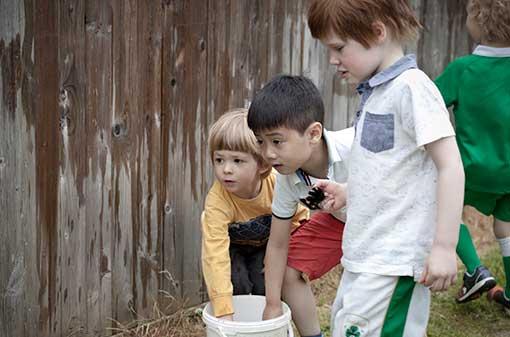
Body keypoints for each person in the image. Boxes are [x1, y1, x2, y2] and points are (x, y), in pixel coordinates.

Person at [307, 0, 465, 335]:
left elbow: (451, 166)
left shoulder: (412, 89)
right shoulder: (376, 93)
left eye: (338, 48)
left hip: (393, 259)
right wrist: (347, 192)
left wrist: (443, 247)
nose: (332, 60)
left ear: (377, 32)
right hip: (366, 253)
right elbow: (392, 170)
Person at [247, 74, 354, 337]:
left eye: (277, 141)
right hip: (340, 222)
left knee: (357, 299)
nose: (268, 153)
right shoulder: (288, 178)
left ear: (313, 134)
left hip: (383, 223)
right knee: (285, 269)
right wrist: (272, 304)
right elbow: (278, 244)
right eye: (261, 142)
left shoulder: (357, 146)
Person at [435, 0, 510, 310]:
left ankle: (475, 269)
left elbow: (428, 105)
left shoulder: (463, 69)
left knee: (437, 205)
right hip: (509, 170)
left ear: (479, 21)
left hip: (472, 169)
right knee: (507, 226)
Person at [201, 109, 309, 320]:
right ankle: (239, 325)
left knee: (267, 286)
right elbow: (215, 256)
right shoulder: (217, 201)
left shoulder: (278, 186)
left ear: (261, 164)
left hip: (270, 245)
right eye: (219, 160)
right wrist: (224, 312)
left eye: (237, 161)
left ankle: (266, 327)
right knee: (237, 284)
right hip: (232, 248)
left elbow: (301, 221)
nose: (226, 170)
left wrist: (291, 260)